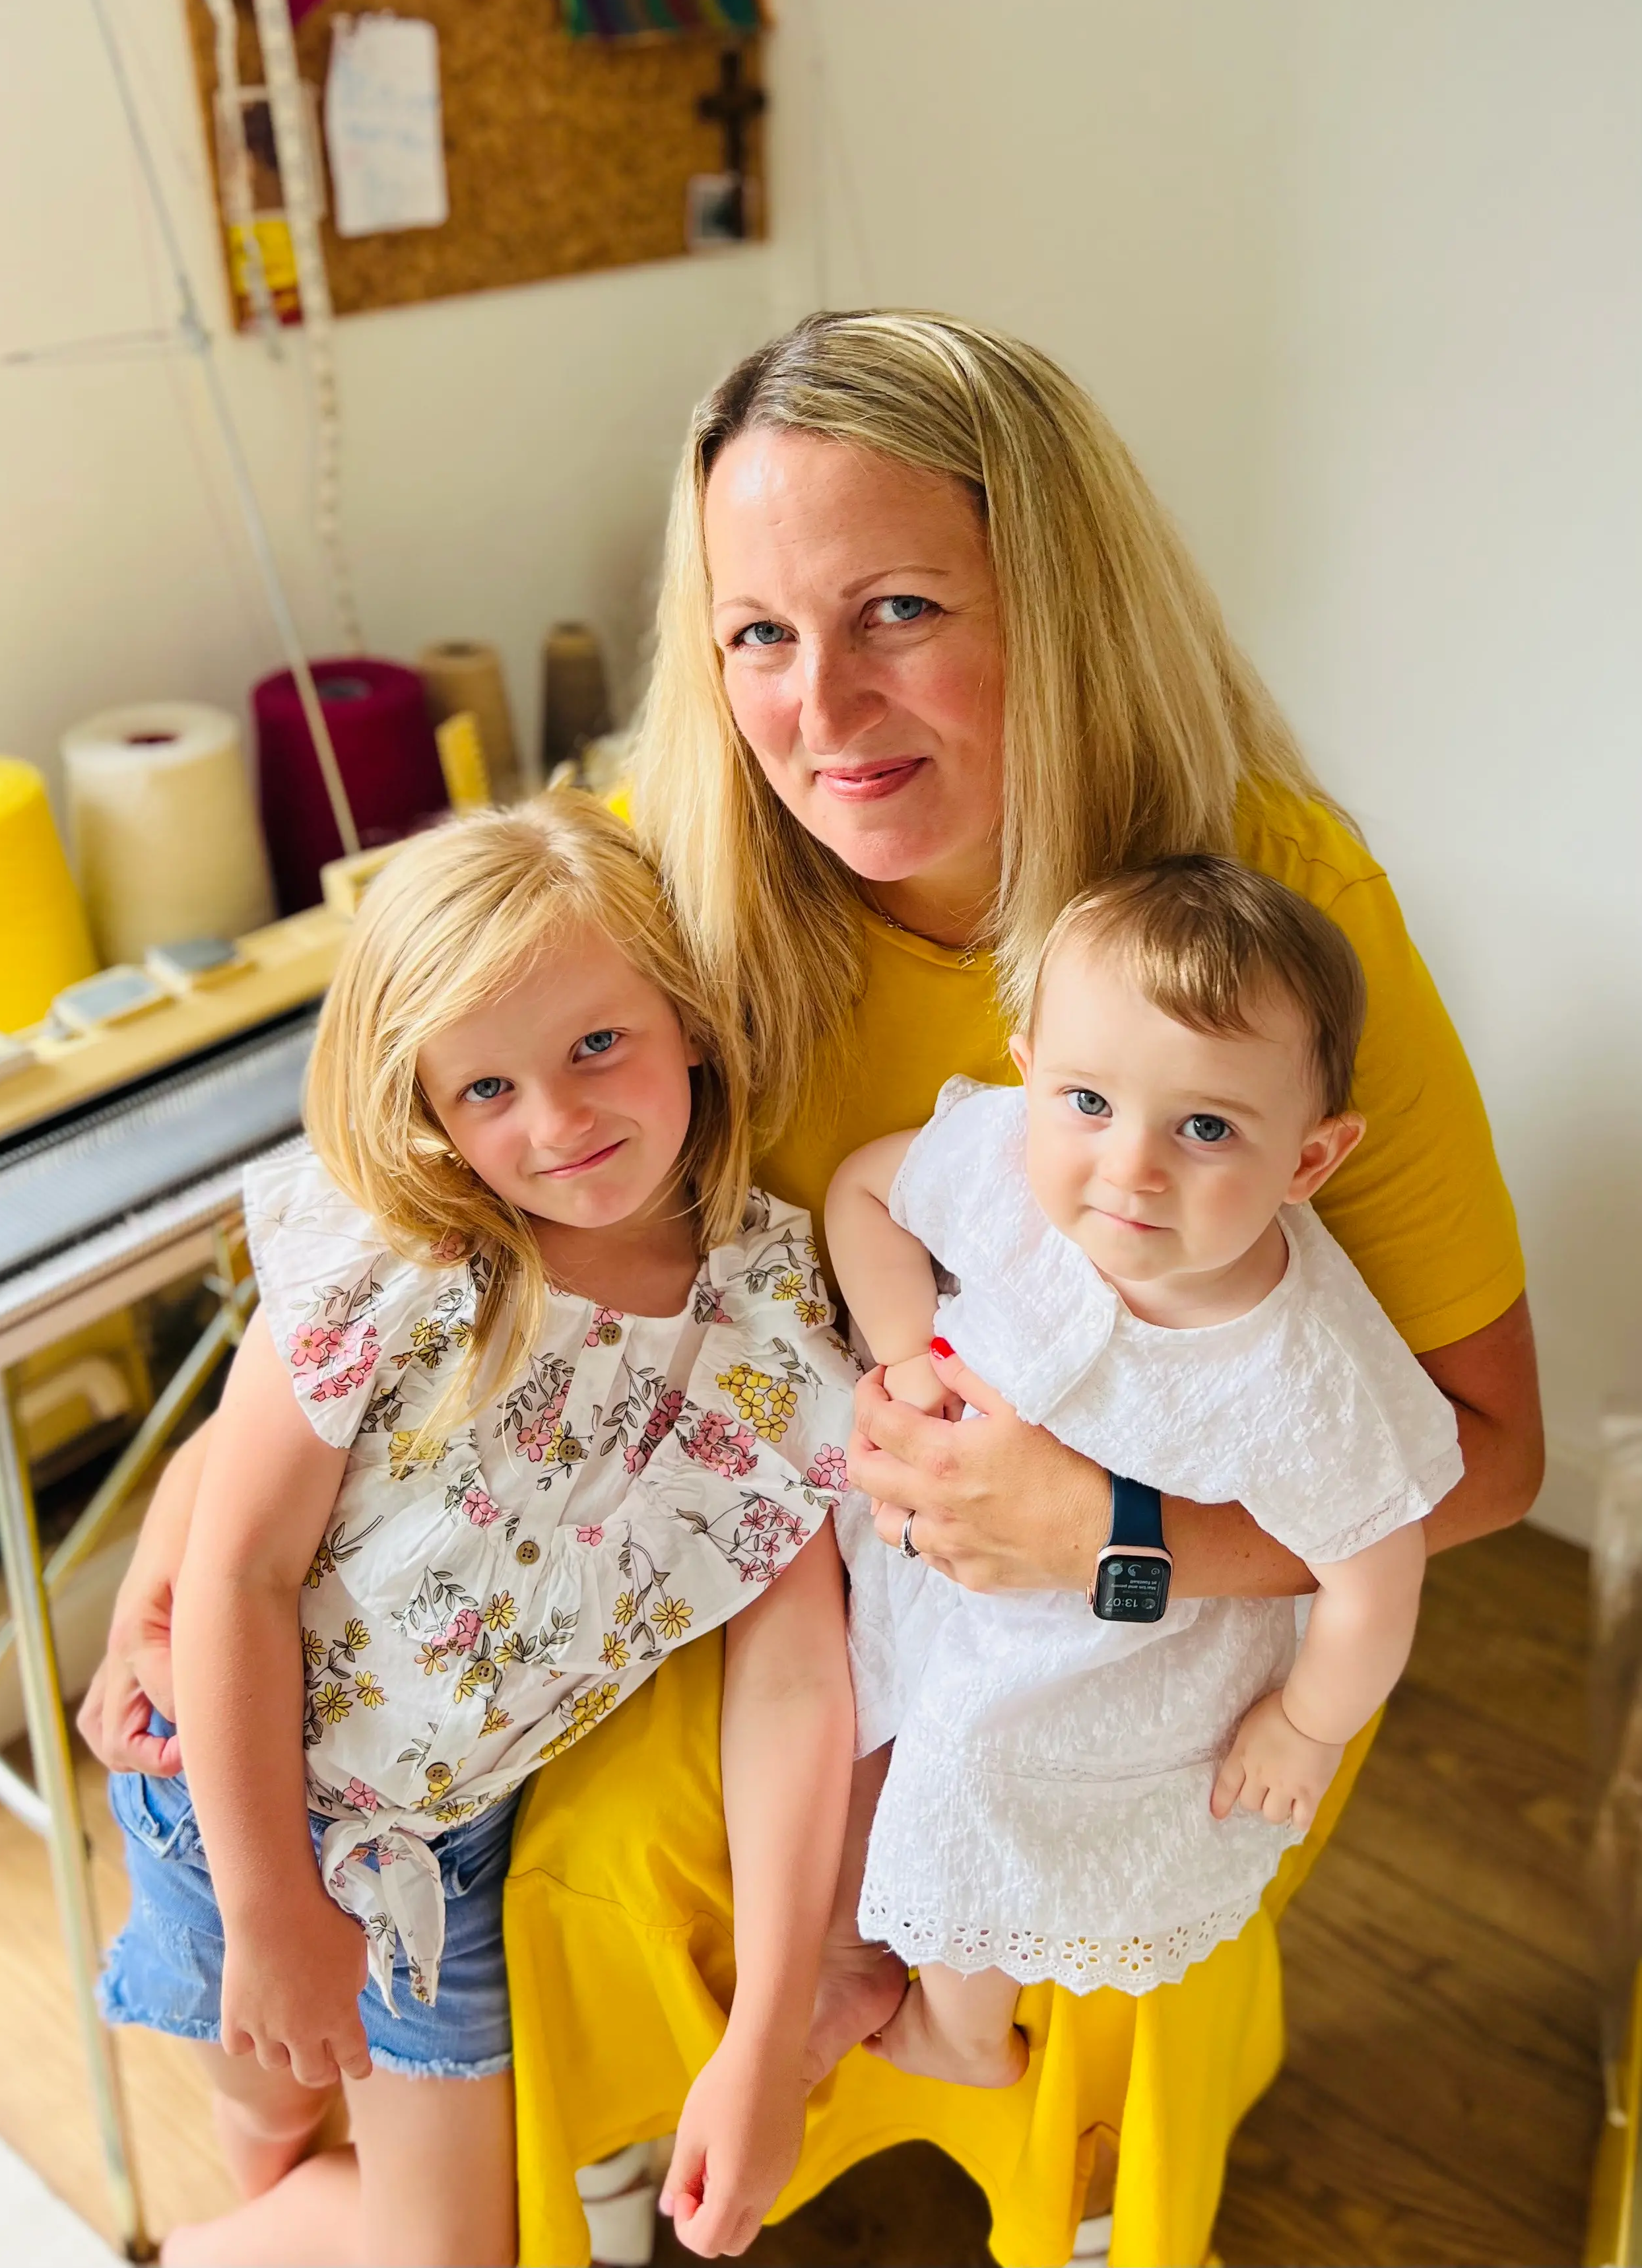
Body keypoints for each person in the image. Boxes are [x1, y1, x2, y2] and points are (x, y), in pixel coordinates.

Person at [86, 312, 1541, 2268]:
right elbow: (409, 1223)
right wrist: (197, 1515)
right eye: (756, 633)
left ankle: (1030, 2158)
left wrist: (1117, 1540)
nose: (823, 709)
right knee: (575, 1870)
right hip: (789, 1557)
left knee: (1000, 1839)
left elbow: (1494, 1457)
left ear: (1060, 601)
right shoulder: (682, 878)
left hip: (1199, 1597)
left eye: (899, 610)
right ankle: (593, 2161)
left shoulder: (1258, 917)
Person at [94, 799, 855, 2267]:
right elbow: (245, 1563)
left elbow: (798, 1682)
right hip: (227, 1808)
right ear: (431, 1111)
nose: (558, 1124)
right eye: (488, 1088)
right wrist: (264, 1905)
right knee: (263, 2115)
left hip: (440, 1873)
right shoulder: (397, 1260)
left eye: (597, 1047)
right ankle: (240, 2212)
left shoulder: (771, 1316)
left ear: (686, 1019)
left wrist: (769, 2031)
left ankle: (215, 2248)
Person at [824, 855, 1461, 2089]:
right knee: (847, 1693)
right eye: (1087, 1104)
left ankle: (959, 2032)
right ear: (1028, 1076)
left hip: (1115, 1648)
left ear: (1308, 1162)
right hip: (927, 1539)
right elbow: (864, 1194)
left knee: (973, 1754)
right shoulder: (1004, 1164)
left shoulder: (1296, 1367)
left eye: (1206, 1128)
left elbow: (1376, 1579)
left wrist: (1305, 1727)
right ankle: (840, 1937)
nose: (1130, 1168)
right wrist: (907, 1354)